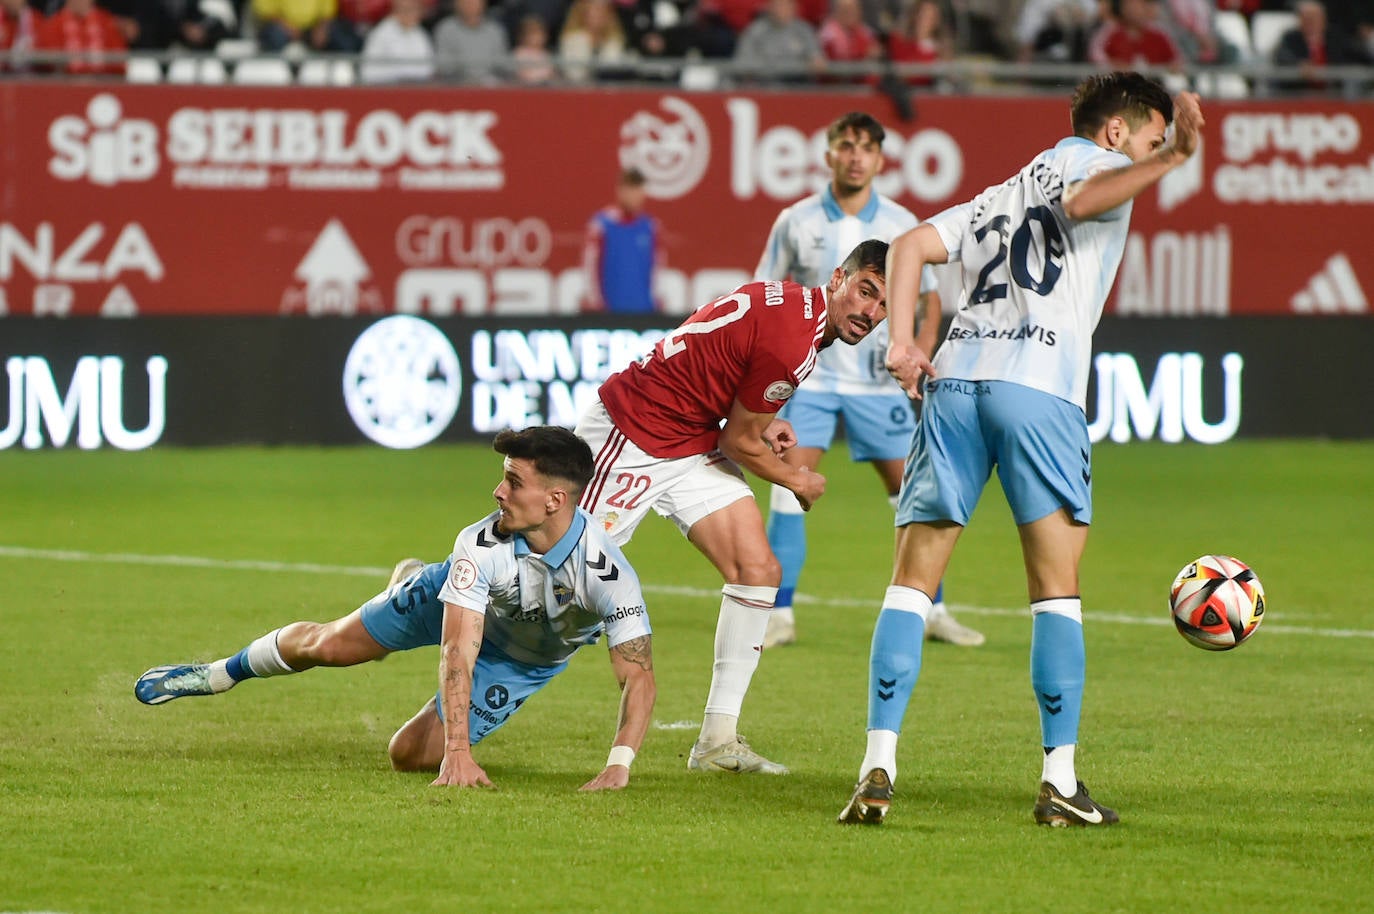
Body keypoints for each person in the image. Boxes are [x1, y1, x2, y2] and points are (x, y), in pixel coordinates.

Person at [836, 72, 1203, 827]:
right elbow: (1079, 203)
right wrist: (1172, 161)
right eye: (1150, 137)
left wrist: (904, 343)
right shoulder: (1095, 168)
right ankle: (1060, 782)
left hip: (958, 385)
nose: (1155, 151)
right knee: (1055, 588)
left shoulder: (1000, 191)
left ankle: (877, 765)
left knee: (911, 583)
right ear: (1113, 133)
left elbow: (908, 244)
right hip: (1039, 391)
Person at [134, 427, 657, 792]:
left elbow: (638, 677)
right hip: (449, 601)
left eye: (514, 483)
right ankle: (219, 673)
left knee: (407, 756)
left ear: (555, 500)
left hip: (523, 661)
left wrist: (618, 765)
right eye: (503, 476)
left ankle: (400, 590)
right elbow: (458, 647)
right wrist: (460, 751)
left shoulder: (607, 575)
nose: (497, 491)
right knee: (329, 646)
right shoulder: (479, 545)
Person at [575, 238, 891, 776]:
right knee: (555, 595)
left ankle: (717, 740)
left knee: (758, 570)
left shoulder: (795, 307)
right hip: (635, 433)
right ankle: (435, 588)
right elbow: (738, 444)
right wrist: (797, 480)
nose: (870, 313)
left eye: (884, 305)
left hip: (691, 438)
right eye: (866, 291)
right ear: (839, 277)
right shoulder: (796, 342)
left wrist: (763, 424)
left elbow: (730, 389)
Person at [756, 111, 983, 651]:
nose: (856, 155)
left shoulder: (905, 221)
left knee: (915, 492)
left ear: (881, 160)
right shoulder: (797, 219)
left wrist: (919, 349)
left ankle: (933, 610)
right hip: (810, 377)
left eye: (867, 148)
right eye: (846, 145)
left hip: (879, 385)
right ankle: (779, 615)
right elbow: (768, 292)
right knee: (789, 490)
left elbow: (930, 299)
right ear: (829, 153)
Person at [581, 167, 661, 314]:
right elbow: (590, 265)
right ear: (621, 191)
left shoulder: (650, 227)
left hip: (644, 312)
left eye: (639, 190)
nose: (635, 196)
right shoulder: (602, 225)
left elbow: (656, 267)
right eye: (631, 190)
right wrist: (596, 302)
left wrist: (655, 301)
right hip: (609, 313)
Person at [35, 0, 126, 74]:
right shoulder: (53, 24)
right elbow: (45, 60)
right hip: (66, 84)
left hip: (102, 83)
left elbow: (119, 60)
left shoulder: (107, 23)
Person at [1088, 0, 1182, 69]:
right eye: (1128, 5)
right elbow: (1096, 55)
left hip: (1154, 86)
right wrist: (1112, 65)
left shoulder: (1158, 32)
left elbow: (1175, 59)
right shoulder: (1110, 30)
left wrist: (1170, 67)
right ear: (1122, 8)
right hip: (1118, 86)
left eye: (1138, 6)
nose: (1133, 10)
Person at [359, 0, 435, 83]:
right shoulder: (381, 33)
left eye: (415, 9)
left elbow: (429, 67)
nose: (410, 14)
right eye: (405, 9)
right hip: (388, 89)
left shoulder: (420, 34)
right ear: (395, 10)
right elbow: (368, 71)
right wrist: (402, 76)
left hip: (417, 88)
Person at [434, 0, 509, 83]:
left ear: (483, 3)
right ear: (456, 4)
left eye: (474, 1)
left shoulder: (495, 31)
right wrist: (468, 80)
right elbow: (444, 65)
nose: (470, 4)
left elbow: (503, 64)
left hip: (490, 86)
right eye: (466, 1)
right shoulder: (445, 29)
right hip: (456, 85)